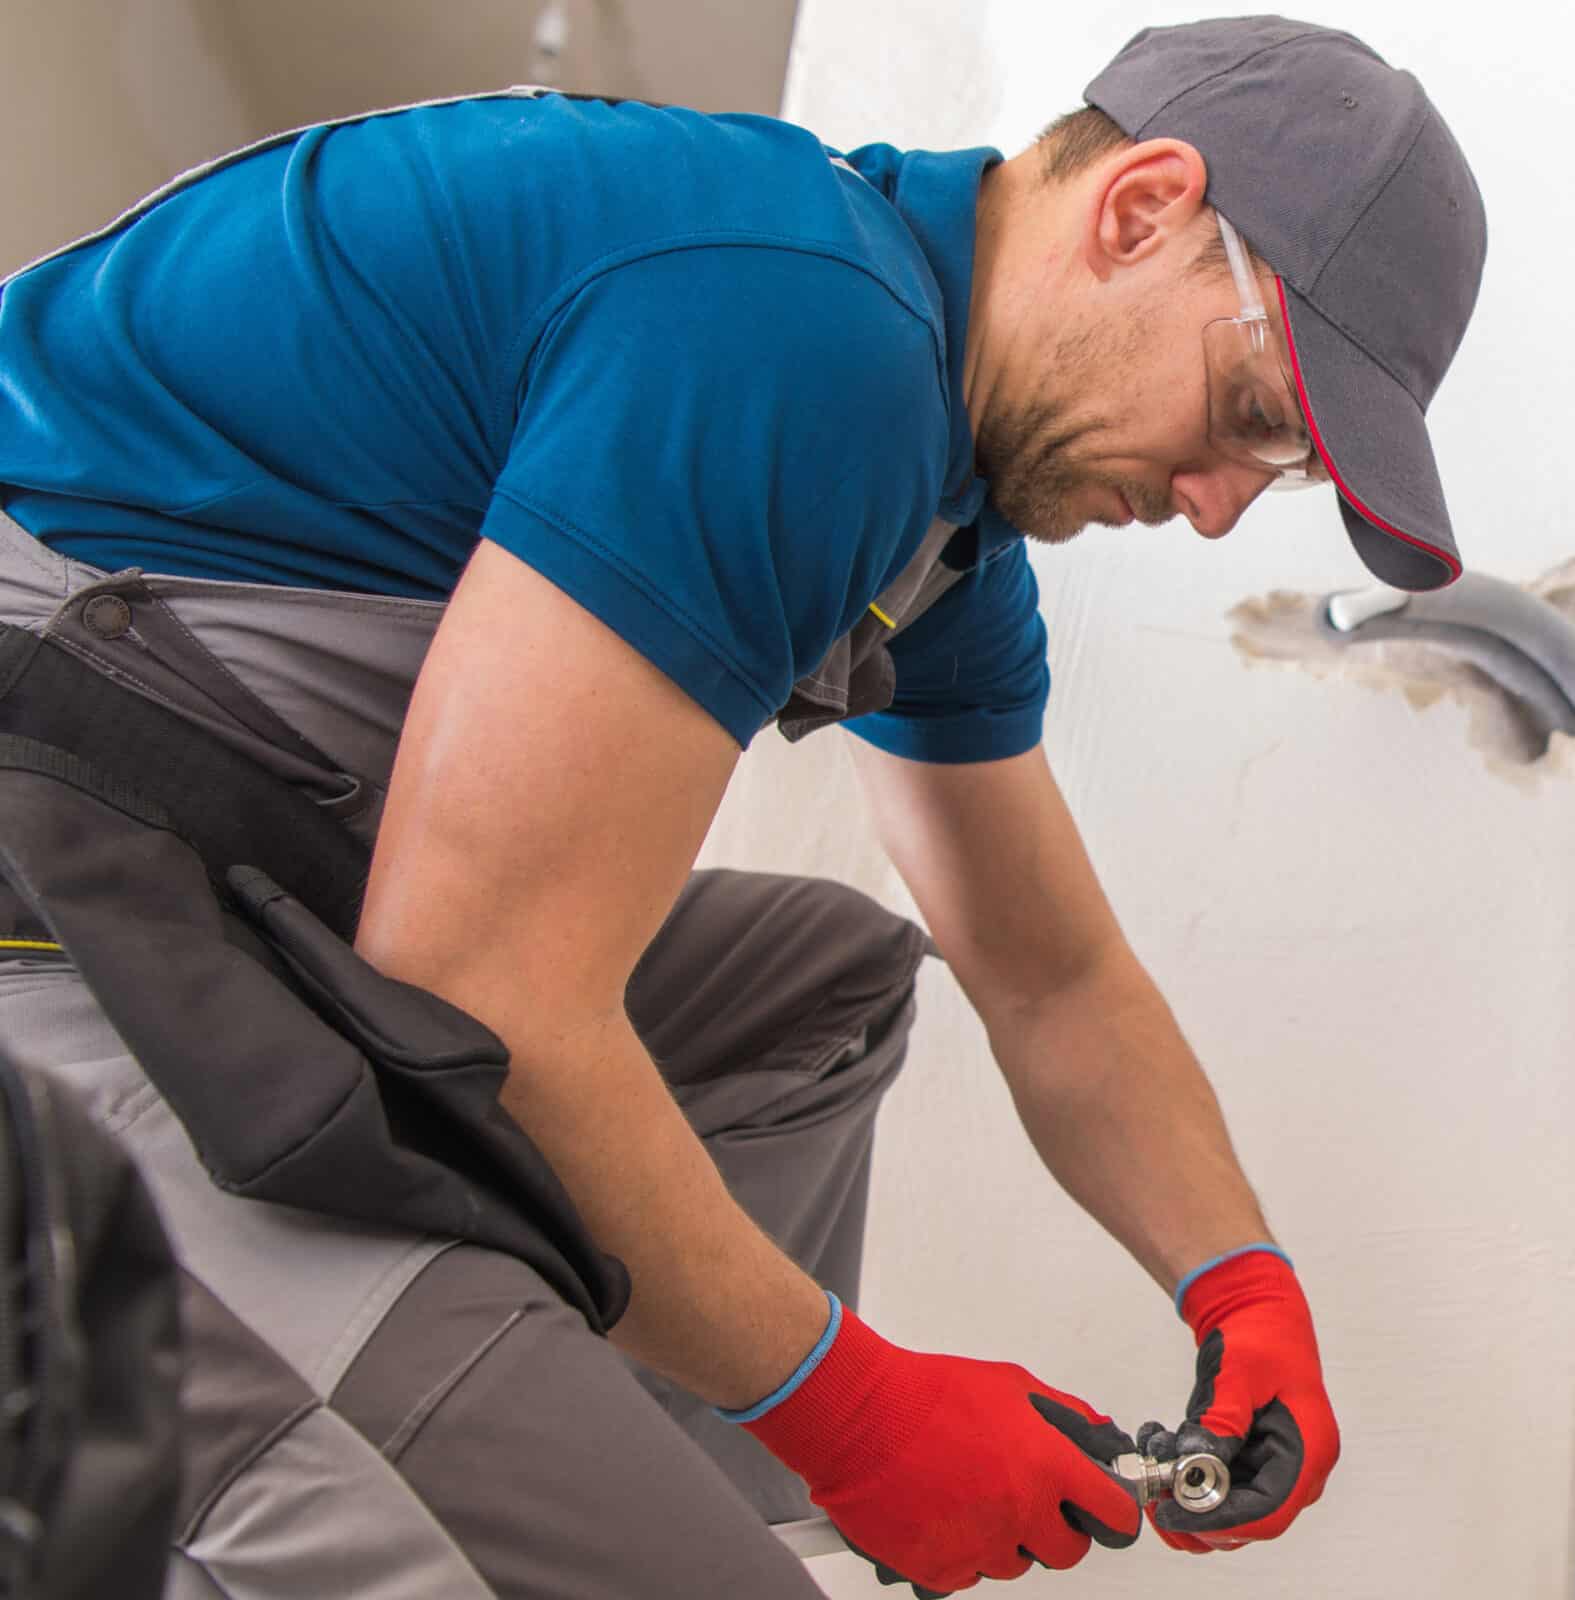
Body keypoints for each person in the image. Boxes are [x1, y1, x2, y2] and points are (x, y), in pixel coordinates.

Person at [0, 14, 1484, 1598]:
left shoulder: (939, 498)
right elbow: (476, 978)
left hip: (241, 894)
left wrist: (1240, 1285)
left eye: (1284, 477)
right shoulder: (795, 325)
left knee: (817, 990)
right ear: (1139, 209)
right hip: (68, 875)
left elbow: (1052, 976)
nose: (1214, 509)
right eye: (1256, 416)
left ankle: (547, 1408)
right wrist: (852, 1408)